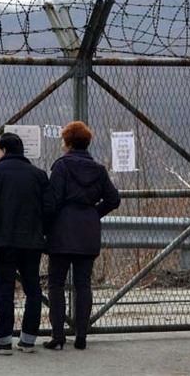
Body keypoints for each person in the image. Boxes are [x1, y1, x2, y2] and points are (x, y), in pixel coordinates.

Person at [44, 121, 121, 351]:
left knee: (56, 284)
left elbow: (52, 202)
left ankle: (58, 336)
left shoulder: (61, 167)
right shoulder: (98, 170)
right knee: (83, 284)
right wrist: (94, 213)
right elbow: (113, 199)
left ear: (67, 142)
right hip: (87, 230)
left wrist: (46, 228)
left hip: (62, 230)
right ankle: (81, 335)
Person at [0, 132, 49, 355]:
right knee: (33, 289)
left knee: (4, 290)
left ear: (4, 150)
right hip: (32, 242)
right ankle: (28, 339)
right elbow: (48, 209)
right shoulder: (39, 175)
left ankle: (4, 339)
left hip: (4, 242)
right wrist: (42, 235)